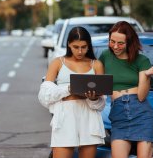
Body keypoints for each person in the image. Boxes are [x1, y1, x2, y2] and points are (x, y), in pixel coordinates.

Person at [38, 26, 106, 158]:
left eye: (84, 47)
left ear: (89, 46)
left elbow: (101, 104)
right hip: (65, 117)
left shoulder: (96, 65)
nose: (80, 51)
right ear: (69, 44)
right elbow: (44, 96)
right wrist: (69, 89)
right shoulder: (57, 63)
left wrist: (93, 99)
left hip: (89, 118)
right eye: (76, 47)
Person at [99, 21, 153, 158]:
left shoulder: (142, 60)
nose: (115, 46)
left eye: (120, 43)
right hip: (118, 114)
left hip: (141, 114)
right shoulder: (105, 57)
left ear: (130, 42)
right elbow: (100, 86)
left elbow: (141, 97)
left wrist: (146, 76)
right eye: (112, 41)